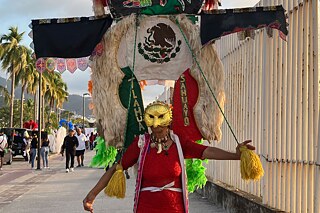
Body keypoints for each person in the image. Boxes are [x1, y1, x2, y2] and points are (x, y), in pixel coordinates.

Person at [83, 102, 255, 212]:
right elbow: (116, 168)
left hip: (174, 207)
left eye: (162, 126)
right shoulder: (141, 144)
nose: (157, 129)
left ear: (169, 123)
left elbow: (207, 151)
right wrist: (91, 195)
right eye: (153, 125)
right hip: (146, 207)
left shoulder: (180, 143)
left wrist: (236, 155)